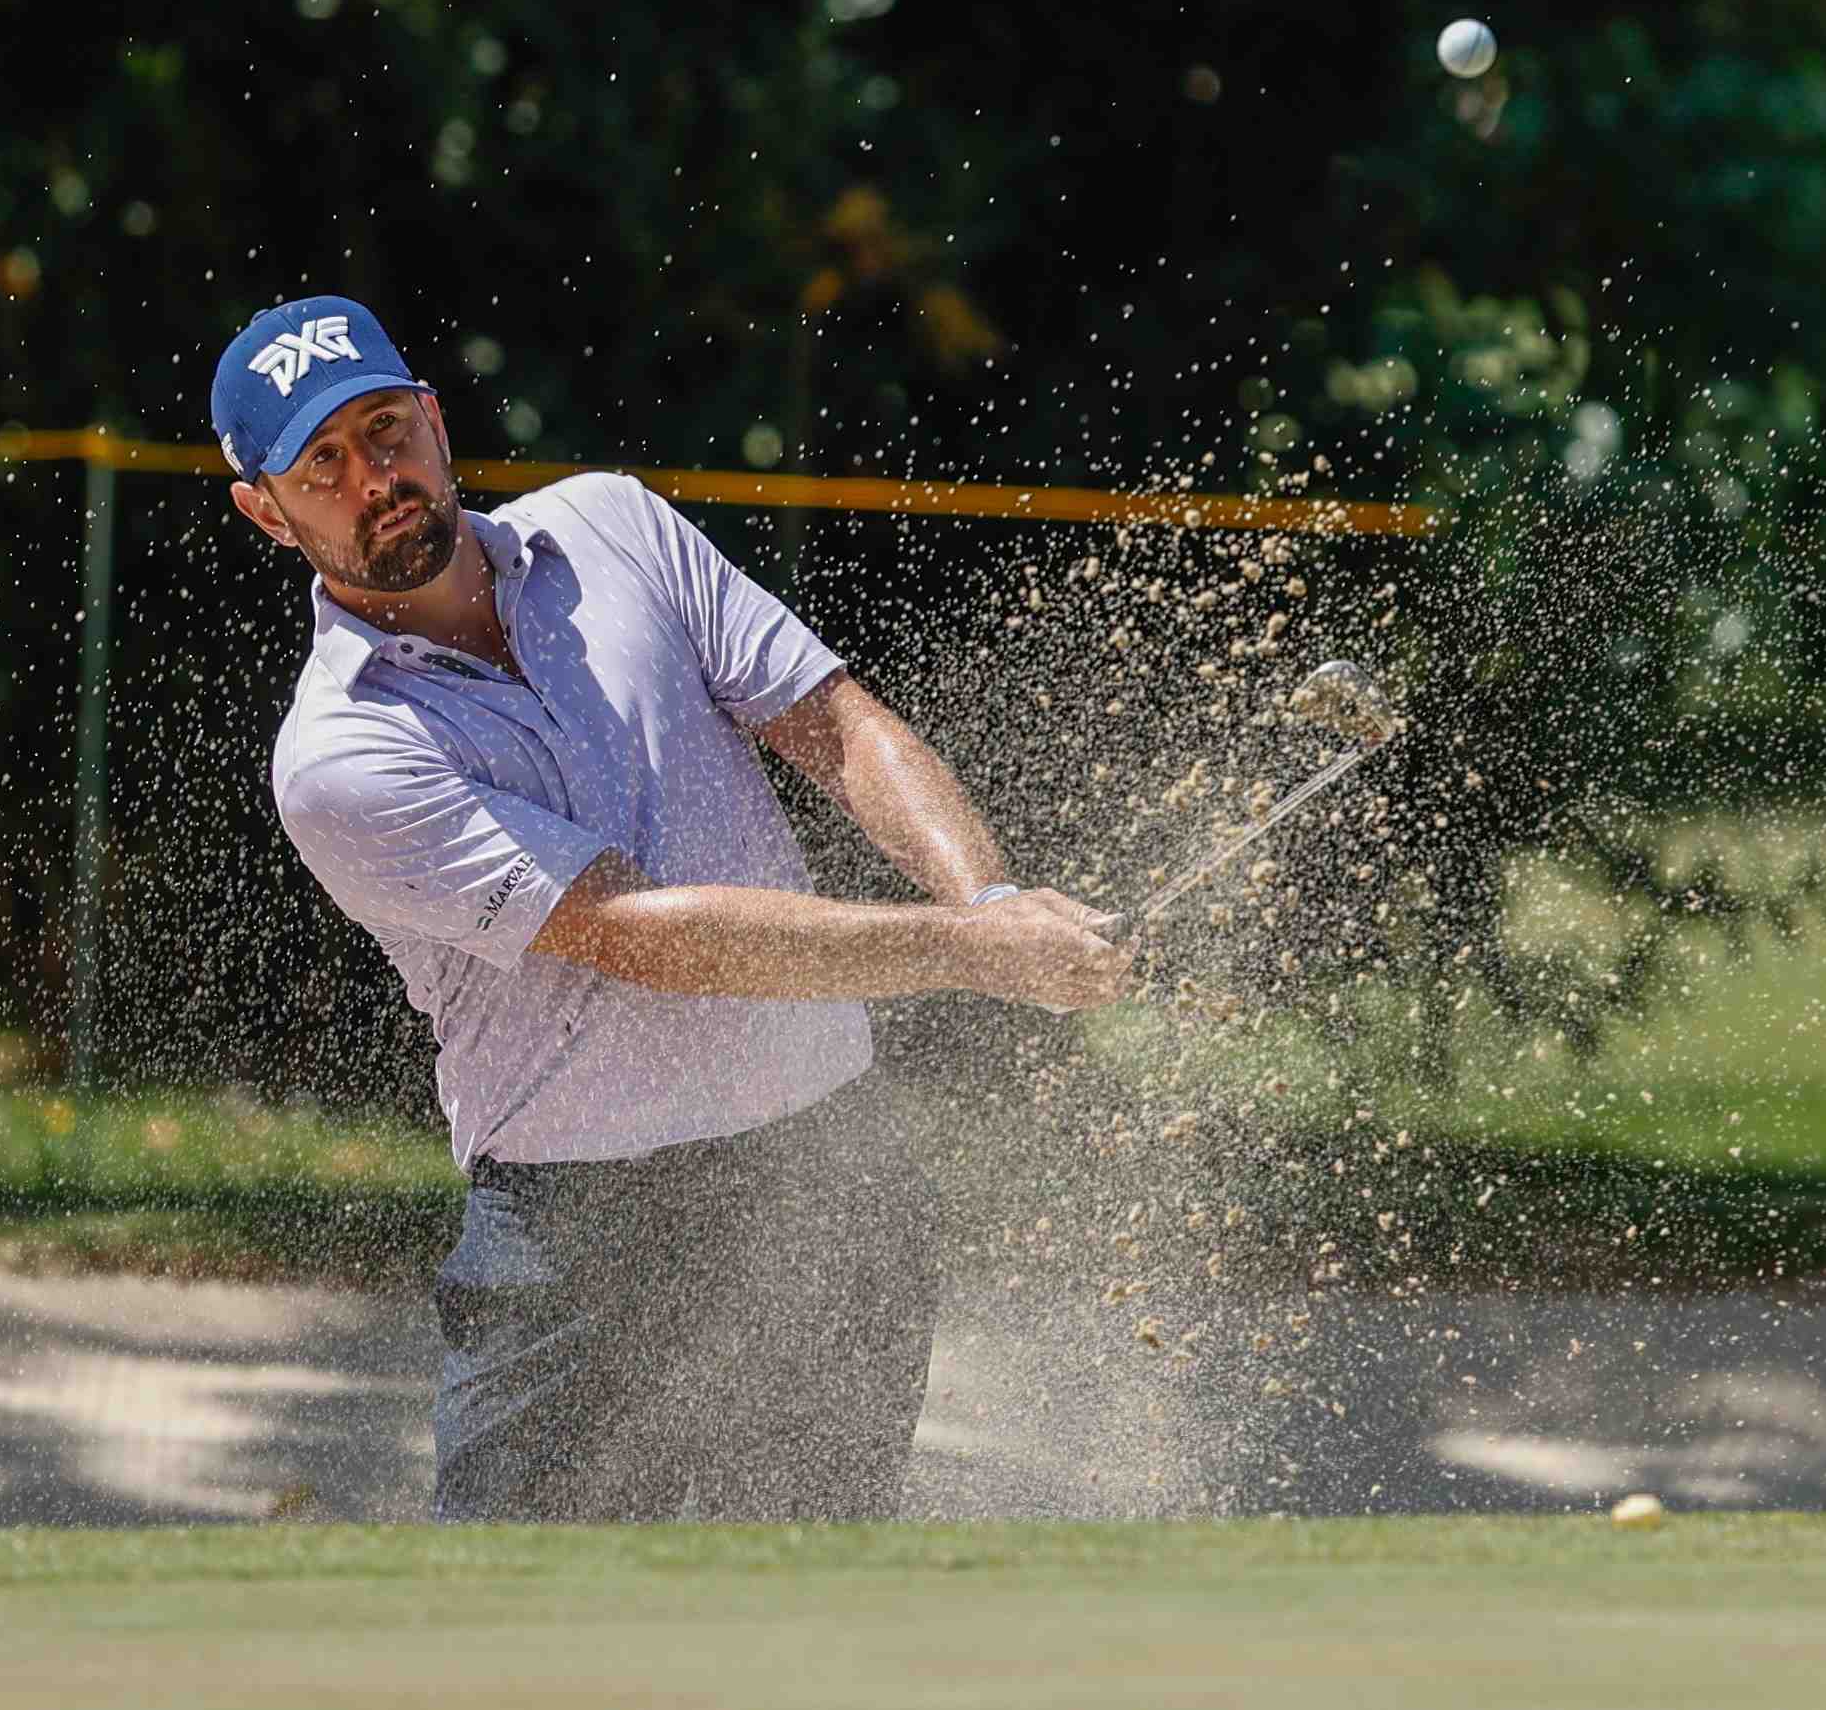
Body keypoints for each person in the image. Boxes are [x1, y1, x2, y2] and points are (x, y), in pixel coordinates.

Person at [211, 295, 1136, 1522]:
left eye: (385, 430)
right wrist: (971, 951)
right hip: (582, 1241)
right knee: (519, 1642)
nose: (371, 476)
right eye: (320, 463)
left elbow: (833, 720)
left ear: (434, 421)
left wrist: (999, 898)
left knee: (814, 1609)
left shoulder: (611, 522)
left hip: (829, 1168)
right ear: (265, 511)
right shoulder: (339, 754)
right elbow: (637, 934)